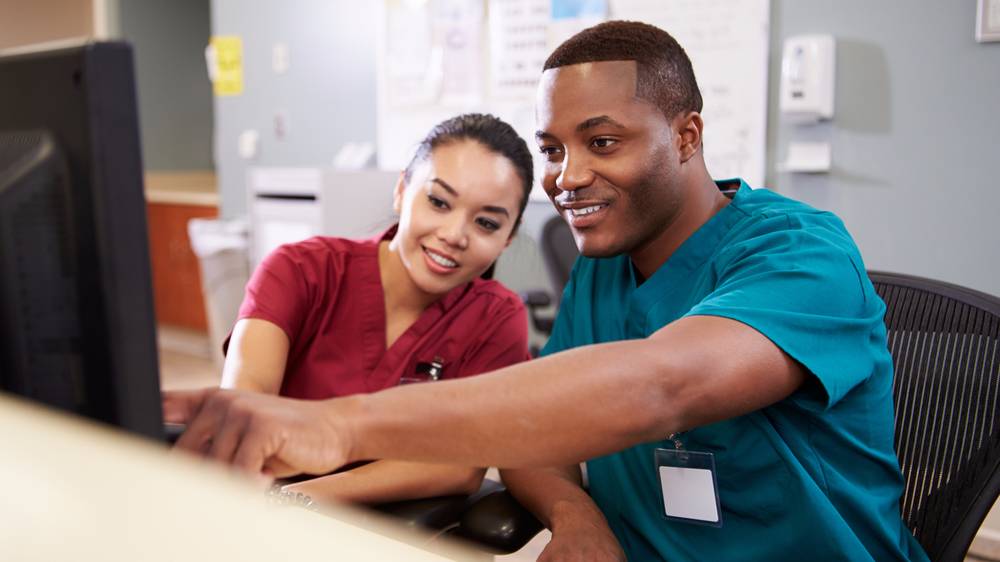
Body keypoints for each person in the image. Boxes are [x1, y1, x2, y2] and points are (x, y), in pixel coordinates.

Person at [165, 21, 928, 561]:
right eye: (555, 150)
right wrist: (573, 511)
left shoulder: (800, 253)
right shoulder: (605, 262)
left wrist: (344, 426)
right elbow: (536, 423)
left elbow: (662, 386)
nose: (567, 177)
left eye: (603, 143)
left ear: (687, 137)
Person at [219, 113, 535, 505]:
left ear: (507, 239)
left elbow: (459, 465)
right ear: (402, 190)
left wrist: (298, 502)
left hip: (390, 531)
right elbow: (243, 409)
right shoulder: (301, 270)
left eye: (486, 223)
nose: (454, 235)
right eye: (438, 202)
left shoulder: (497, 319)